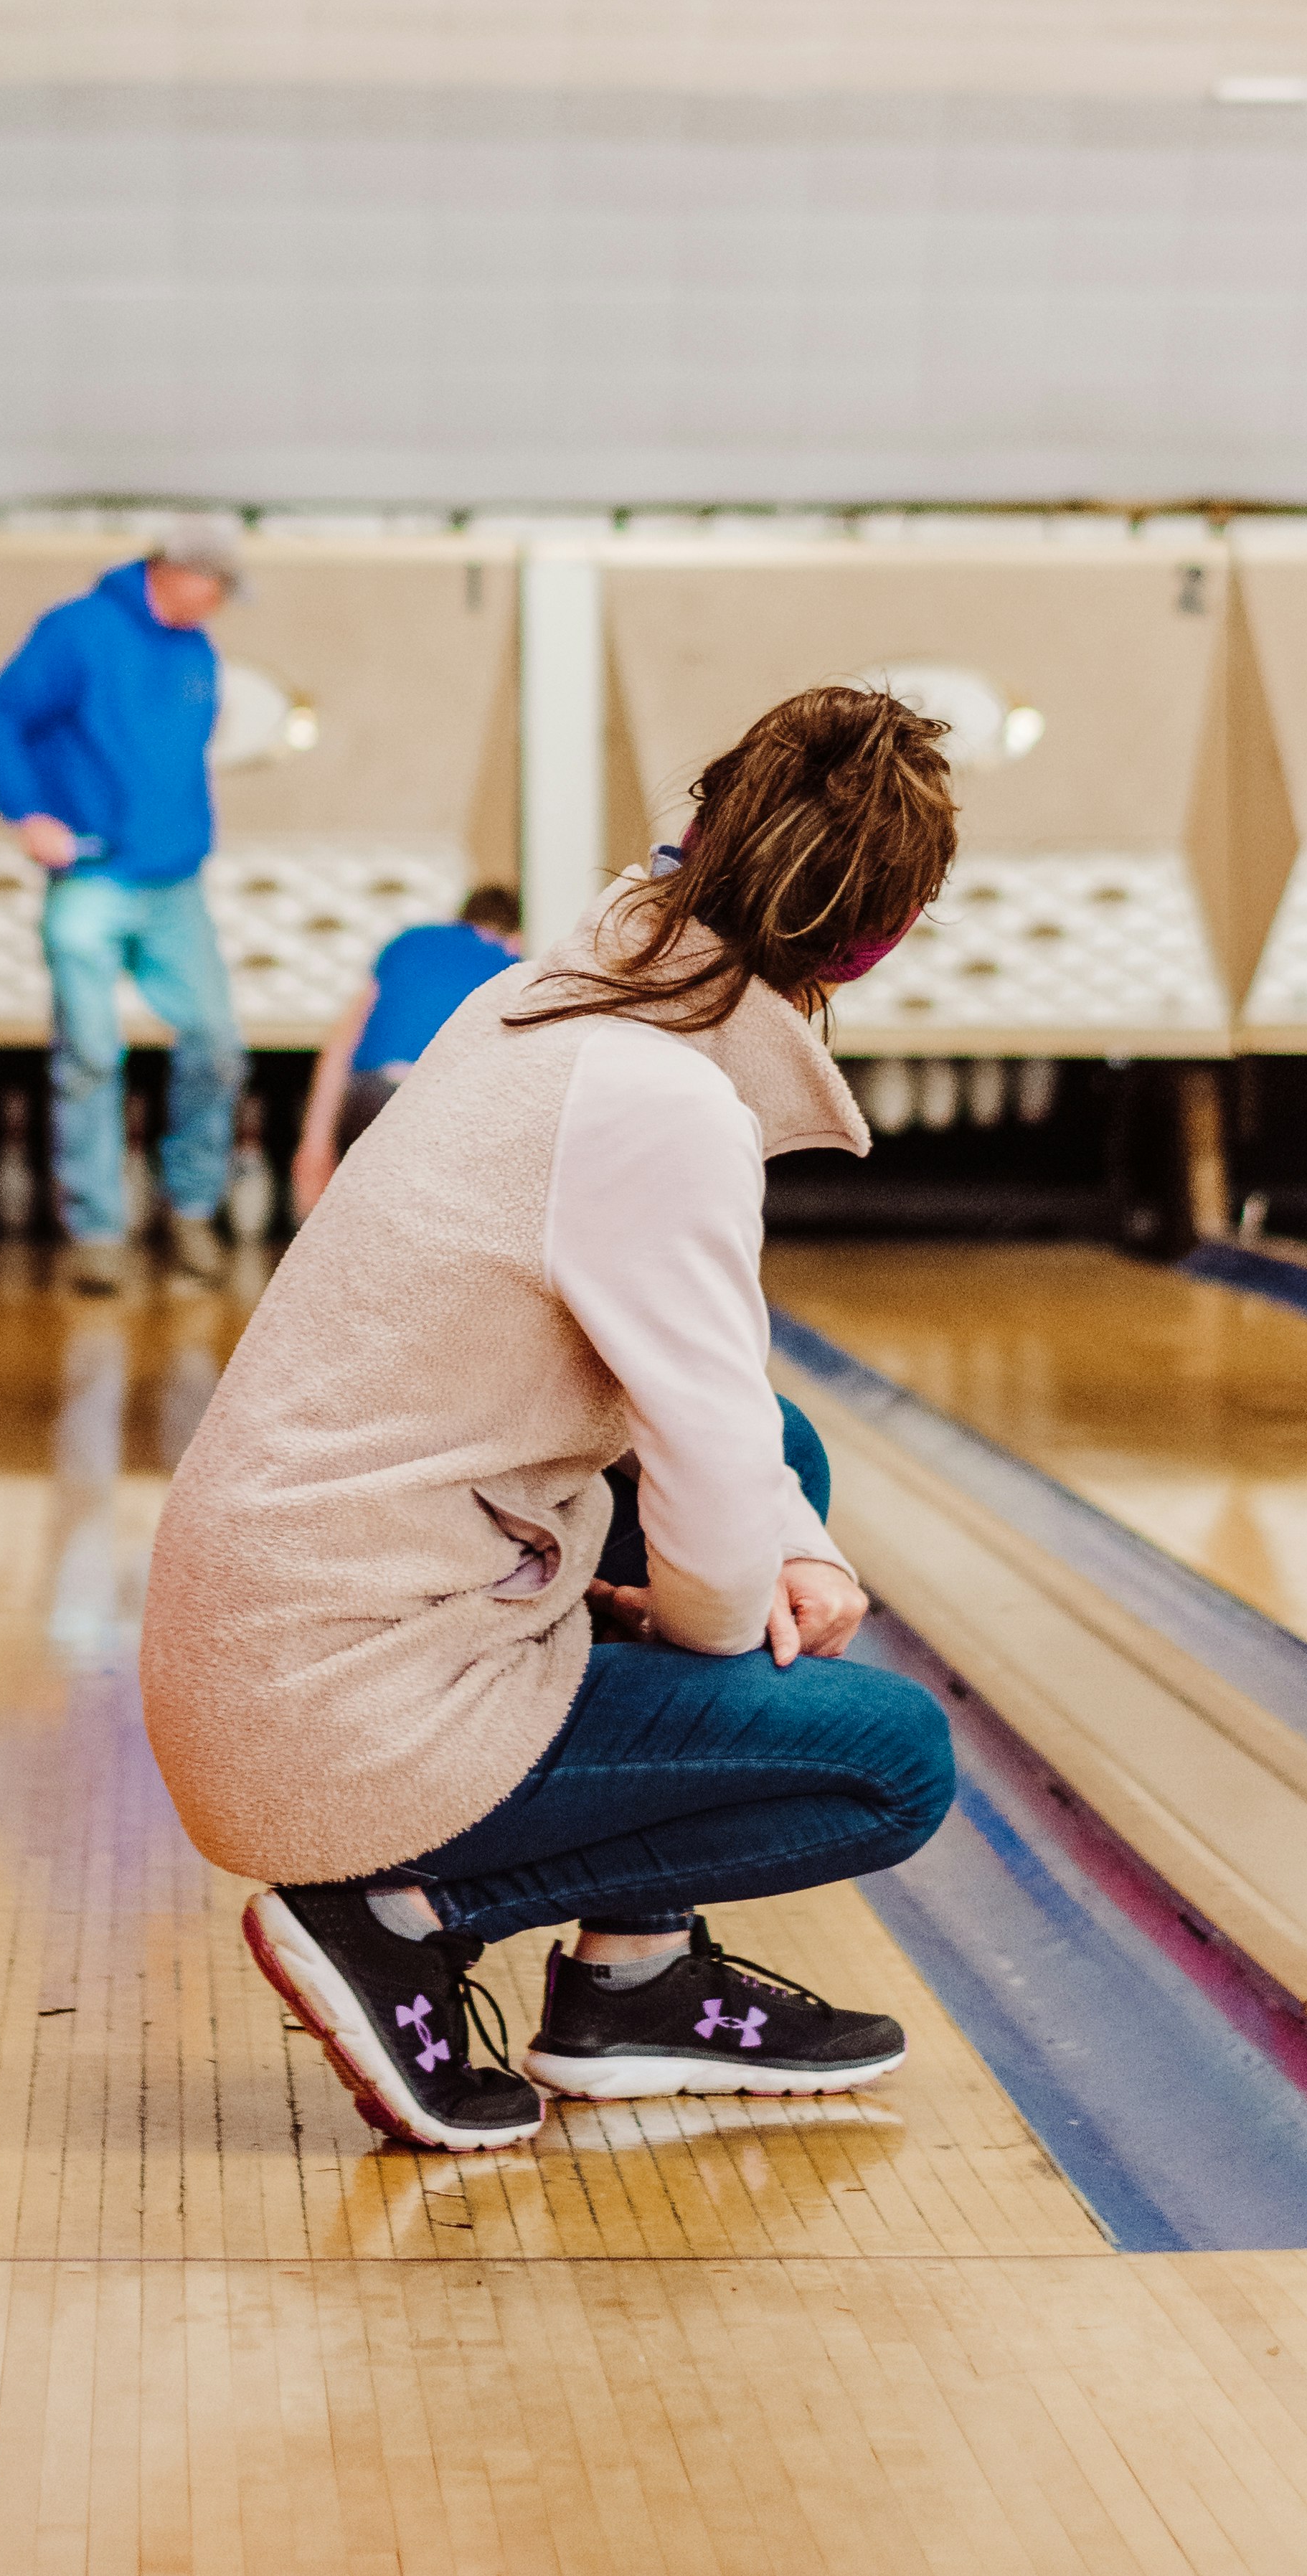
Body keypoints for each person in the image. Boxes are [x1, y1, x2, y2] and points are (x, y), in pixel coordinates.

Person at [138, 682, 961, 2150]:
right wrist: (744, 1620)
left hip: (258, 1635)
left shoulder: (535, 997)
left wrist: (786, 1542)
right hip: (331, 1713)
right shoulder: (666, 1106)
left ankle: (635, 1976)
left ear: (698, 833)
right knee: (888, 1757)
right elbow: (707, 1479)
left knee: (792, 1471)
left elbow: (721, 1424)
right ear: (873, 943)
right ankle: (399, 1914)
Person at [0, 515, 253, 1293]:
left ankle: (191, 1208)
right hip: (91, 877)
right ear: (178, 571)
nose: (221, 602)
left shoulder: (198, 652)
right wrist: (28, 811)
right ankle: (97, 1229)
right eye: (218, 587)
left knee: (217, 1043)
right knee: (91, 1053)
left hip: (174, 885)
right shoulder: (78, 631)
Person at [293, 882, 525, 1214]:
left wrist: (315, 1144)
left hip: (372, 1094)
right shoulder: (512, 965)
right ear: (515, 934)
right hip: (438, 1102)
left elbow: (342, 1042)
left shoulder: (409, 941)